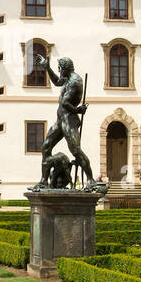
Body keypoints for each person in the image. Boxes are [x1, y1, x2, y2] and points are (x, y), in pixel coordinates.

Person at [33, 54, 99, 189]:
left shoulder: (75, 81)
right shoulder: (68, 78)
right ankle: (44, 181)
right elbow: (57, 82)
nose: (58, 71)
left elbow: (65, 102)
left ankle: (91, 180)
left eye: (59, 68)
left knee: (76, 151)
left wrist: (77, 110)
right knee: (46, 147)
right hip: (61, 119)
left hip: (69, 119)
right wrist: (47, 68)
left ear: (65, 68)